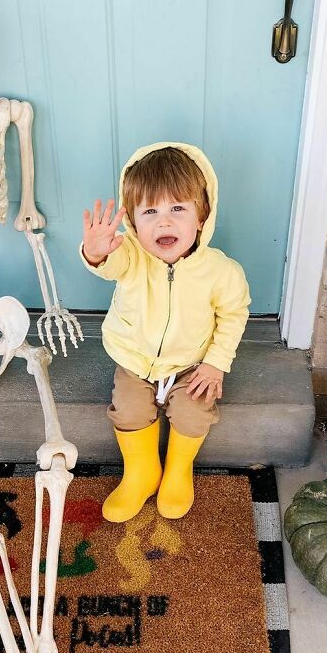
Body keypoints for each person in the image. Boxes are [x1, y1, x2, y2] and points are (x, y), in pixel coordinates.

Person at [80, 142, 250, 522]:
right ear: (134, 223)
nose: (164, 222)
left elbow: (233, 315)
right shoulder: (130, 256)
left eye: (178, 209)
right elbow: (108, 264)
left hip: (190, 365)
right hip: (136, 361)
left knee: (194, 410)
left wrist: (215, 364)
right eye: (150, 212)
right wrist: (96, 251)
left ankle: (177, 470)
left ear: (202, 217)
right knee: (129, 409)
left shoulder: (221, 272)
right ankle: (142, 473)